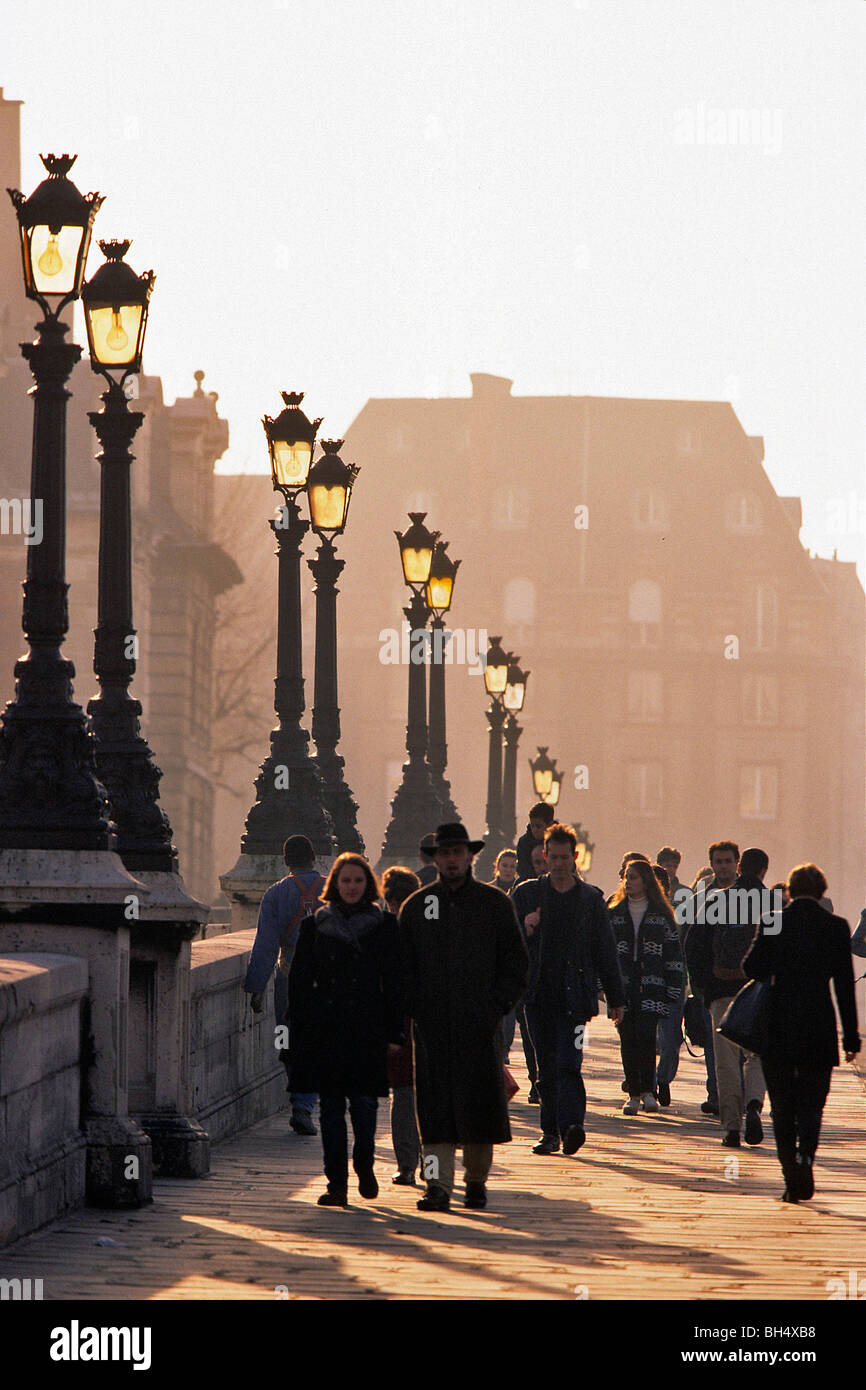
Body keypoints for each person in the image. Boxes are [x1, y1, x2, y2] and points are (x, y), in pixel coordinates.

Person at [399, 823, 528, 1212]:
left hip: (478, 1023)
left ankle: (475, 1181)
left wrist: (495, 1007)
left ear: (469, 857)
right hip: (433, 1026)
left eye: (458, 853)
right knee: (433, 1111)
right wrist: (416, 1009)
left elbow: (516, 964)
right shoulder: (418, 908)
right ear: (435, 858)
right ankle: (436, 1184)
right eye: (445, 853)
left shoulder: (494, 904)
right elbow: (402, 970)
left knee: (480, 1106)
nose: (452, 859)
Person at [288, 853, 403, 1207]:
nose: (352, 887)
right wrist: (298, 1032)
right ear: (335, 885)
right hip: (327, 1029)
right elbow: (300, 984)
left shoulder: (385, 926)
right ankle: (336, 1183)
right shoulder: (314, 927)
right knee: (332, 1109)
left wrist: (395, 1033)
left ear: (368, 884)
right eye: (346, 881)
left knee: (366, 1105)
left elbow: (396, 984)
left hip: (368, 1027)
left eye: (358, 881)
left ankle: (364, 1165)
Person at [744, 863, 860, 1202]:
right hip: (818, 1024)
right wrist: (850, 1037)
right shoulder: (836, 927)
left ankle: (788, 1170)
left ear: (790, 891)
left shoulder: (773, 920)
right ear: (822, 891)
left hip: (778, 1022)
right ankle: (806, 1155)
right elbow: (844, 988)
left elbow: (751, 967)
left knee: (782, 1103)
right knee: (812, 1102)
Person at [512, 823, 625, 1155]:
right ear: (544, 856)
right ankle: (550, 1131)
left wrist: (616, 998)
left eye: (565, 857)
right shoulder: (526, 894)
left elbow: (605, 950)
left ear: (575, 857)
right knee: (545, 1066)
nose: (559, 863)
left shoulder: (591, 899)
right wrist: (525, 927)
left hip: (575, 998)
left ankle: (572, 1124)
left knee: (569, 1062)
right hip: (537, 996)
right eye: (554, 857)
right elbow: (503, 942)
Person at [686, 844, 768, 1147]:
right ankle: (754, 1104)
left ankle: (732, 1126)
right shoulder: (772, 903)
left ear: (739, 867)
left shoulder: (717, 899)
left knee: (725, 1059)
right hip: (758, 994)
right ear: (763, 871)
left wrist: (704, 989)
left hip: (721, 991)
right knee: (758, 1053)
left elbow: (693, 947)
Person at [244, 834, 325, 1135]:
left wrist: (256, 987)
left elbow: (265, 944)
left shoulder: (276, 893)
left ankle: (299, 1100)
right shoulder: (333, 888)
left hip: (289, 976)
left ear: (286, 860)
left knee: (287, 1037)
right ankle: (305, 1103)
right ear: (314, 856)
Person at [608, 860, 684, 1113]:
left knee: (647, 1037)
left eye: (634, 877)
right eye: (626, 877)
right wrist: (603, 985)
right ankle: (633, 1092)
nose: (629, 882)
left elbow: (674, 953)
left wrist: (674, 986)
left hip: (653, 984)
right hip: (623, 986)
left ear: (646, 882)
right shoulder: (615, 912)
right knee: (627, 1038)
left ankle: (647, 1090)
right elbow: (604, 953)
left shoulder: (661, 915)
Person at [381, 866, 422, 1186]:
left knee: (405, 1096)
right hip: (405, 1024)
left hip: (407, 1022)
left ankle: (410, 1164)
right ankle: (417, 1163)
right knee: (410, 1095)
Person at [654, 852, 692, 1106]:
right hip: (646, 978)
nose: (669, 869)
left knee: (671, 1037)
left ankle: (663, 1078)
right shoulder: (640, 903)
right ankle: (642, 1082)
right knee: (645, 1036)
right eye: (665, 865)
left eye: (673, 865)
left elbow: (690, 937)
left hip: (675, 977)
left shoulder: (685, 897)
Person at [515, 801, 555, 880]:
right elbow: (523, 869)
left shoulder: (560, 841)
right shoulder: (524, 843)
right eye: (532, 826)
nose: (535, 830)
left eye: (538, 826)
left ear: (549, 825)